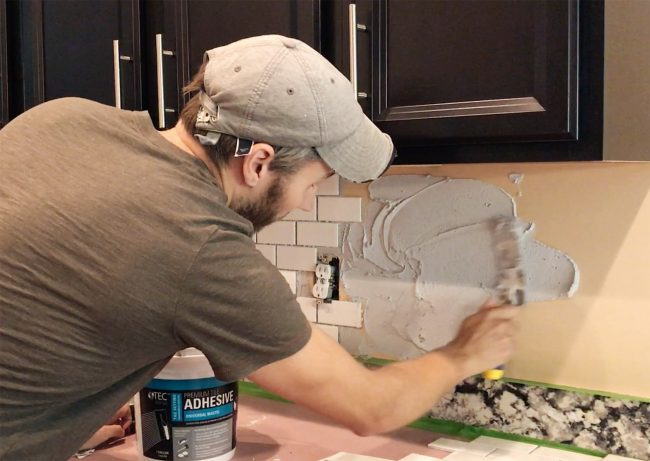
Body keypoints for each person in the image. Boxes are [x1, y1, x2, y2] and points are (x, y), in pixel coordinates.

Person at [0, 35, 518, 460]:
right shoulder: (203, 251)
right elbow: (371, 409)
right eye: (315, 182)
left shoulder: (61, 118)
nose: (307, 203)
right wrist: (462, 354)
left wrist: (71, 411)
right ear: (258, 163)